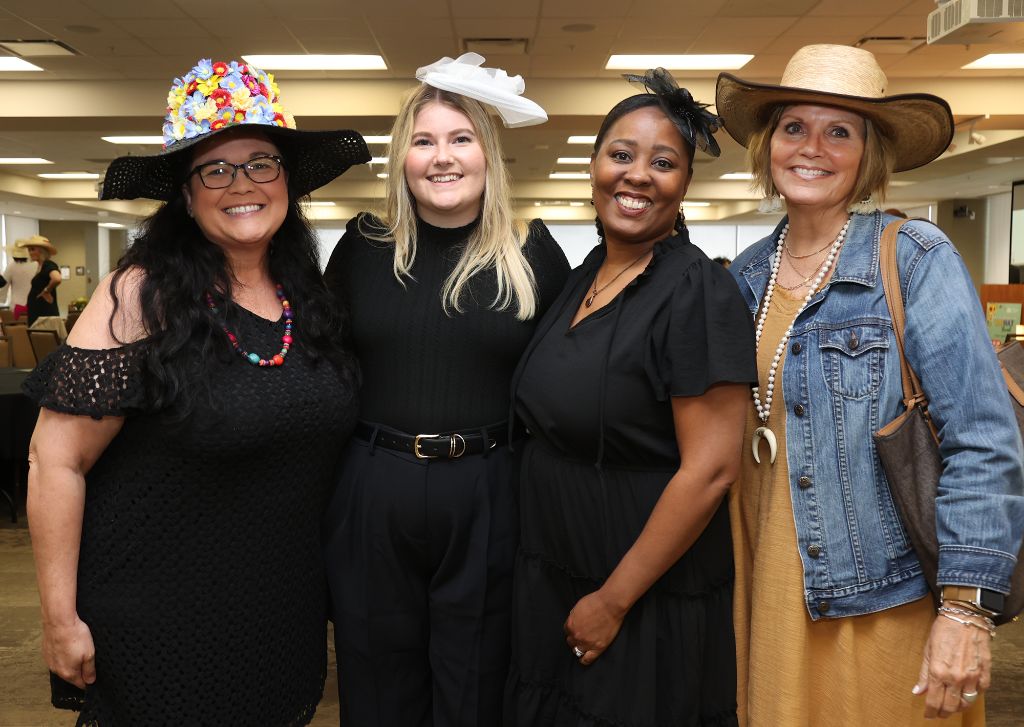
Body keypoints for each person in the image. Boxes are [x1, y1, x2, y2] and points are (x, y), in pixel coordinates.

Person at [24, 58, 369, 725]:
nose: (242, 184)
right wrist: (59, 618)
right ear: (185, 195)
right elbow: (54, 460)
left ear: (287, 182)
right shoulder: (141, 295)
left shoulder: (310, 298)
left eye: (261, 163)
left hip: (280, 613)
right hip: (159, 620)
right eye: (215, 169)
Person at [715, 44, 1024, 725]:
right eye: (794, 127)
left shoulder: (913, 257)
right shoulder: (746, 276)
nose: (812, 147)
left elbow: (983, 440)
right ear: (769, 144)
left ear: (869, 155)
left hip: (882, 603)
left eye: (839, 132)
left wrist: (966, 610)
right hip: (767, 594)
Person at [322, 53, 569, 727]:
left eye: (460, 139)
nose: (442, 157)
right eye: (423, 141)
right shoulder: (364, 248)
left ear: (488, 154)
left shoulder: (533, 255)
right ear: (402, 160)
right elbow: (319, 368)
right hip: (374, 489)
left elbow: (569, 381)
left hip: (490, 489)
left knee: (477, 687)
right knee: (376, 687)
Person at [504, 69, 756, 727]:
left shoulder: (699, 292)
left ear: (685, 183)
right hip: (557, 564)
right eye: (622, 154)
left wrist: (614, 600)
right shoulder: (585, 274)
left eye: (663, 162)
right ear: (594, 166)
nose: (638, 175)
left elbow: (711, 470)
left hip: (638, 583)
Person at [20, 235, 61, 325]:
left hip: (44, 314)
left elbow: (57, 278)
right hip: (37, 313)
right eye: (29, 250)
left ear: (41, 250)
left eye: (32, 249)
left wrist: (46, 291)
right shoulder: (40, 267)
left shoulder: (48, 264)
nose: (30, 253)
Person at [2, 243, 38, 319]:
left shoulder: (11, 266)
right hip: (34, 304)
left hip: (16, 306)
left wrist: (2, 299)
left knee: (18, 325)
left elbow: (3, 284)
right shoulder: (36, 265)